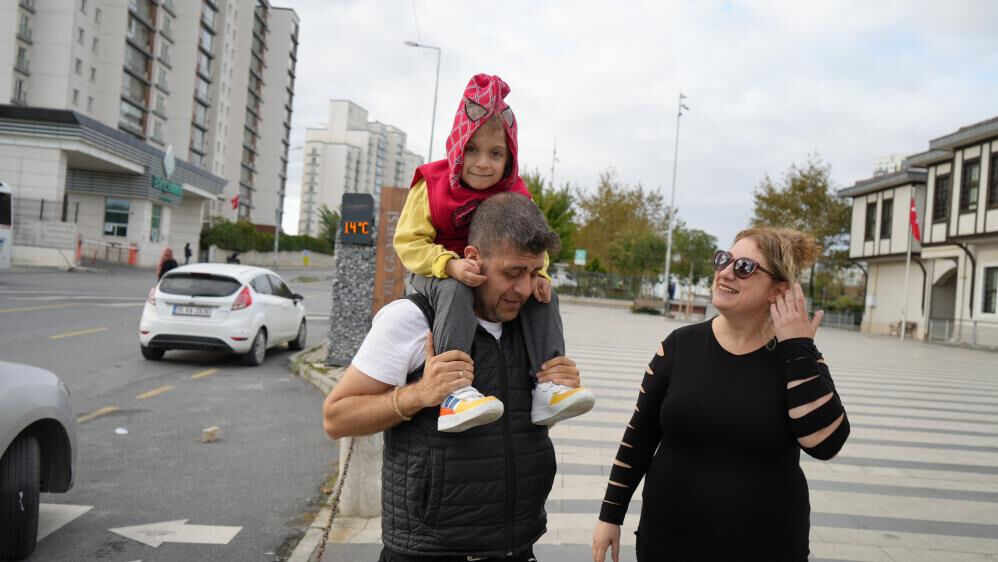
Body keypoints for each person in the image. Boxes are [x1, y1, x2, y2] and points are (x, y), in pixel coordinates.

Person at [324, 193, 583, 561]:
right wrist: (420, 394)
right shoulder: (412, 319)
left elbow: (514, 432)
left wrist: (556, 388)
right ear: (474, 259)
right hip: (430, 552)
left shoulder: (529, 323)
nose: (525, 289)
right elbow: (335, 417)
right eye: (512, 273)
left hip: (517, 545)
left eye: (534, 272)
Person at [592, 227, 850, 562]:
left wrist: (799, 348)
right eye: (723, 260)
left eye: (745, 268)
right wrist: (610, 516)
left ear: (779, 291)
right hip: (668, 542)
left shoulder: (797, 358)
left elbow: (827, 445)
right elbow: (639, 437)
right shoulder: (678, 346)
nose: (725, 272)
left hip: (766, 547)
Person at [394, 72, 594, 433]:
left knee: (541, 294)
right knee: (456, 290)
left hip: (488, 272)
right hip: (434, 270)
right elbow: (408, 242)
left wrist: (542, 275)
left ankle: (548, 384)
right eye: (472, 149)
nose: (483, 163)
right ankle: (454, 391)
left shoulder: (516, 191)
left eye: (495, 153)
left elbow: (533, 244)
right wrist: (449, 265)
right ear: (457, 146)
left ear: (509, 157)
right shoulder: (433, 183)